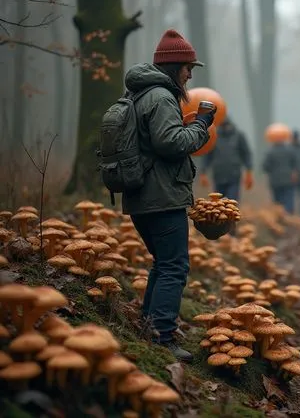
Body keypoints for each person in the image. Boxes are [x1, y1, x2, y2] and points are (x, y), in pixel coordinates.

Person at [121, 29, 215, 362]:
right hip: (160, 198)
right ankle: (162, 337)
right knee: (175, 266)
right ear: (175, 66)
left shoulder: (141, 95)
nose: (191, 74)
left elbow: (159, 139)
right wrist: (202, 123)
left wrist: (187, 124)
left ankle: (148, 327)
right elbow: (172, 144)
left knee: (163, 264)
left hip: (142, 197)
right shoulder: (161, 97)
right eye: (189, 67)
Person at [199, 117, 254, 200]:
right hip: (218, 175)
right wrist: (203, 172)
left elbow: (246, 154)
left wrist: (249, 171)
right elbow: (207, 155)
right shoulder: (214, 136)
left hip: (234, 176)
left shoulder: (238, 136)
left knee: (232, 202)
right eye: (223, 126)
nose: (226, 128)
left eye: (227, 125)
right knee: (218, 203)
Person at [262, 139, 298, 214]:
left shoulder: (270, 152)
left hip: (275, 182)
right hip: (288, 180)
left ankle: (279, 217)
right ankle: (289, 217)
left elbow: (265, 167)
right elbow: (295, 165)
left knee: (277, 201)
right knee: (289, 200)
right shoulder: (290, 150)